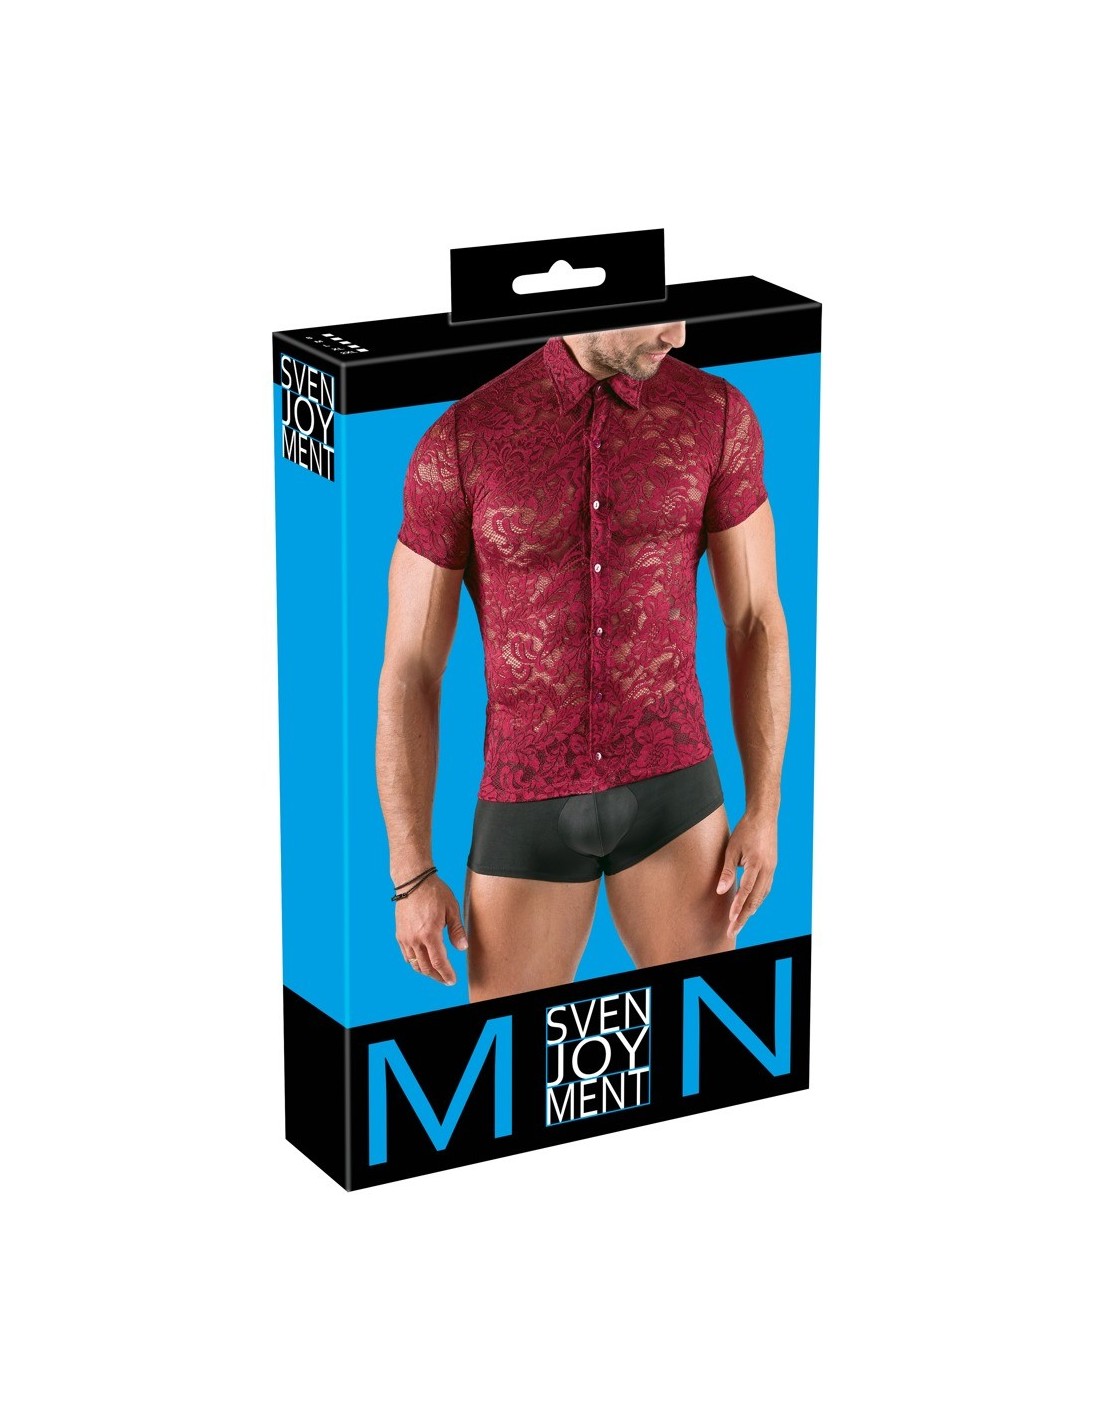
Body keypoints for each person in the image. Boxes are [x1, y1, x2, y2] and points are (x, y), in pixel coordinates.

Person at [376, 321, 790, 1001]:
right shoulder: (462, 441)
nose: (679, 335)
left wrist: (765, 811)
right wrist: (411, 873)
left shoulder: (715, 415)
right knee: (511, 1059)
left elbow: (755, 619)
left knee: (705, 1040)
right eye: (657, 315)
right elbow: (409, 669)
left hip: (675, 793)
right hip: (523, 803)